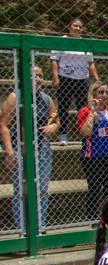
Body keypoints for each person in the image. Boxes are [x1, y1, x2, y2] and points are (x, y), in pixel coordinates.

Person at [0, 67, 58, 231]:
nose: (38, 79)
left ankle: (40, 227)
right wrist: (10, 152)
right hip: (21, 148)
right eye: (34, 75)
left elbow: (55, 117)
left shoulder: (46, 99)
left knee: (42, 190)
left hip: (42, 150)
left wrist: (53, 125)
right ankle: (23, 230)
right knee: (22, 190)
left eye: (40, 76)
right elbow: (3, 125)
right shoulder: (14, 97)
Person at [77, 81, 108, 222]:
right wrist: (92, 111)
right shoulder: (85, 111)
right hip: (93, 156)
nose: (104, 95)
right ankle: (91, 220)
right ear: (93, 93)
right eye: (100, 92)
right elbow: (85, 132)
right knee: (95, 189)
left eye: (106, 92)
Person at [50, 17, 98, 146]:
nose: (77, 28)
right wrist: (55, 77)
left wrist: (97, 79)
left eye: (79, 27)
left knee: (82, 109)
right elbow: (54, 60)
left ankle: (84, 135)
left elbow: (91, 63)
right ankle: (63, 135)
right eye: (75, 26)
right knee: (63, 107)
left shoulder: (85, 43)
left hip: (82, 80)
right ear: (69, 27)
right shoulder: (61, 41)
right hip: (65, 78)